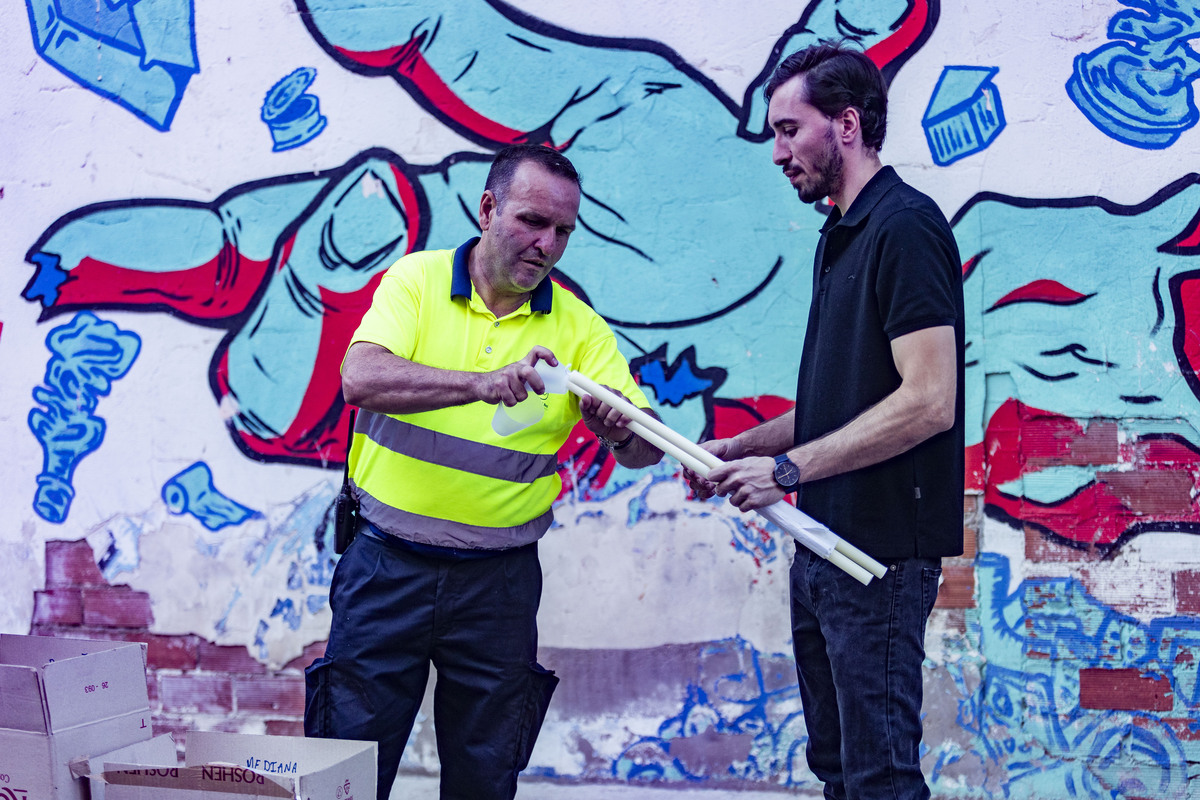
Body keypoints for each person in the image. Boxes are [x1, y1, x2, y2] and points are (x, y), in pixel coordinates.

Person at [304, 143, 663, 800]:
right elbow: (359, 377)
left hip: (498, 587)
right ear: (488, 208)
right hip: (385, 567)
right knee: (346, 771)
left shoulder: (579, 328)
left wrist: (623, 435)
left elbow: (646, 446)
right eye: (531, 221)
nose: (547, 244)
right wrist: (479, 384)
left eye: (561, 231)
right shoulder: (415, 282)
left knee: (486, 779)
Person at [688, 43, 964, 800]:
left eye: (788, 129)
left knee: (879, 778)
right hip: (823, 548)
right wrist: (736, 449)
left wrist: (784, 473)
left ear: (846, 124)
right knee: (838, 770)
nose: (777, 152)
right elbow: (834, 408)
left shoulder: (904, 227)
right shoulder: (841, 233)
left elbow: (929, 400)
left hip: (877, 557)